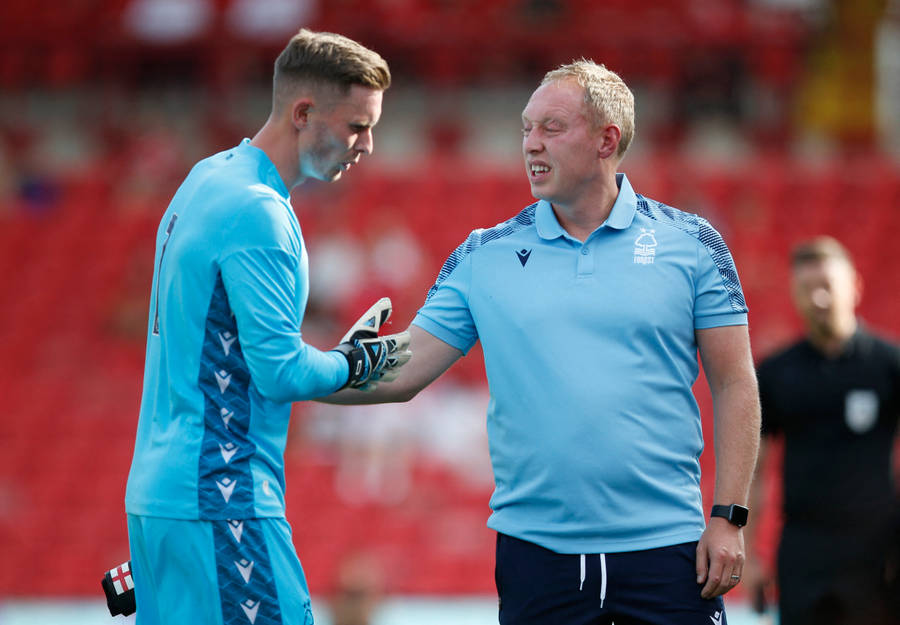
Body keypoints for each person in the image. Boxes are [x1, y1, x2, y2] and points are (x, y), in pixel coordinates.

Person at [326, 59, 761, 624]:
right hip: (537, 558)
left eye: (551, 128)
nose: (531, 144)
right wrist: (303, 370)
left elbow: (735, 382)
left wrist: (729, 516)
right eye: (526, 129)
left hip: (669, 552)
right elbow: (407, 367)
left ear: (607, 140)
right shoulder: (484, 254)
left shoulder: (695, 243)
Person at [124, 29, 411, 625]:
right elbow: (280, 372)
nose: (368, 145)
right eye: (357, 126)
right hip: (221, 497)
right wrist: (356, 361)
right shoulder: (259, 211)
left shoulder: (207, 177)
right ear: (303, 113)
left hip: (158, 499)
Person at [747, 237, 900, 625]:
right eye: (806, 288)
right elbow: (755, 469)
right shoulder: (777, 373)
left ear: (855, 286)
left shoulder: (889, 365)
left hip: (878, 552)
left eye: (827, 285)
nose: (818, 298)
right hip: (803, 551)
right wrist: (750, 552)